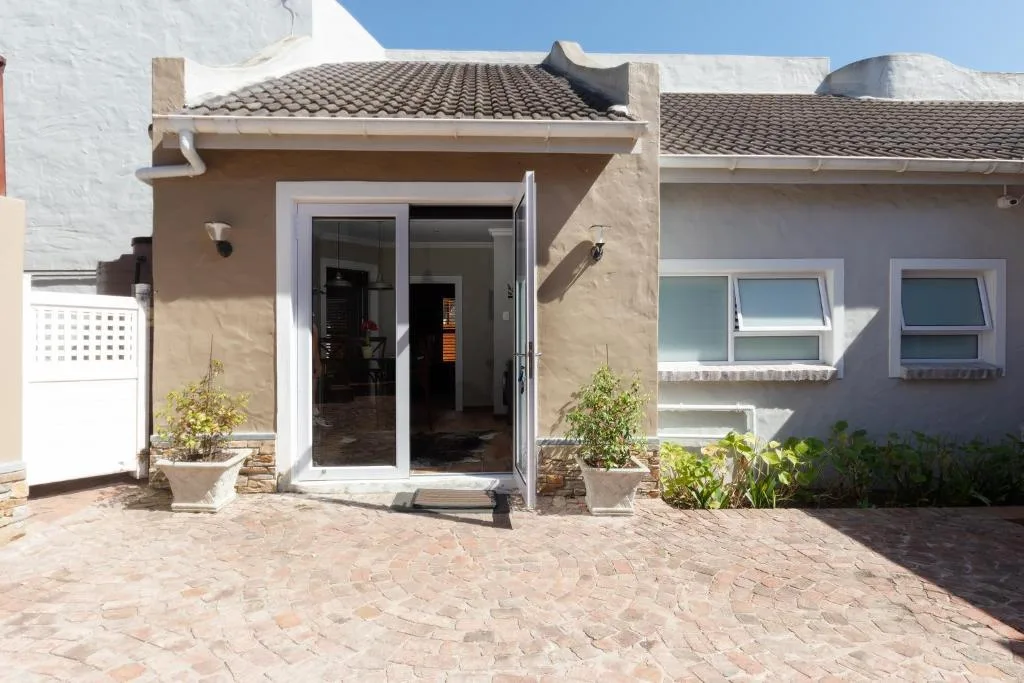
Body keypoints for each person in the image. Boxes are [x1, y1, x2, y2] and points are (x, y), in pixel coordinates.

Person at [313, 319, 331, 428]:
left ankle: (313, 414)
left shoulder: (312, 328)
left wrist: (317, 364)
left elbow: (314, 350)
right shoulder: (312, 327)